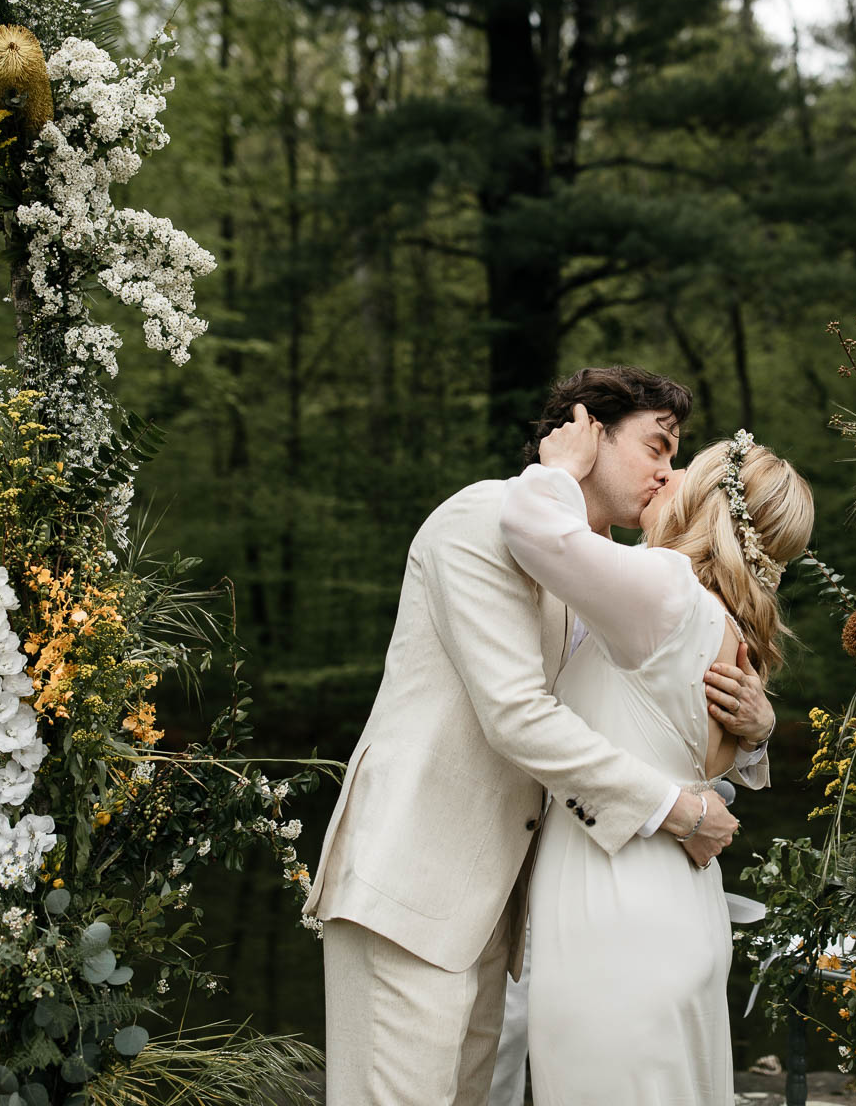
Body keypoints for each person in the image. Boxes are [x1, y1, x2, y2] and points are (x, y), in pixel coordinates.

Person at [303, 367, 746, 1106]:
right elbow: (516, 714)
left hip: (500, 912)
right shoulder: (480, 519)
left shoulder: (605, 575)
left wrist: (754, 730)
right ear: (586, 432)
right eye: (657, 447)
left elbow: (657, 709)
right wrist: (674, 809)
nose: (669, 473)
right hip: (412, 880)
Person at [501, 408, 814, 1105]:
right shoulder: (727, 622)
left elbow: (530, 530)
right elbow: (695, 753)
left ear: (706, 503)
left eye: (682, 471)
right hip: (682, 904)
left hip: (616, 909)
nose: (663, 476)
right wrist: (759, 734)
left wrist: (559, 469)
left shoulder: (664, 588)